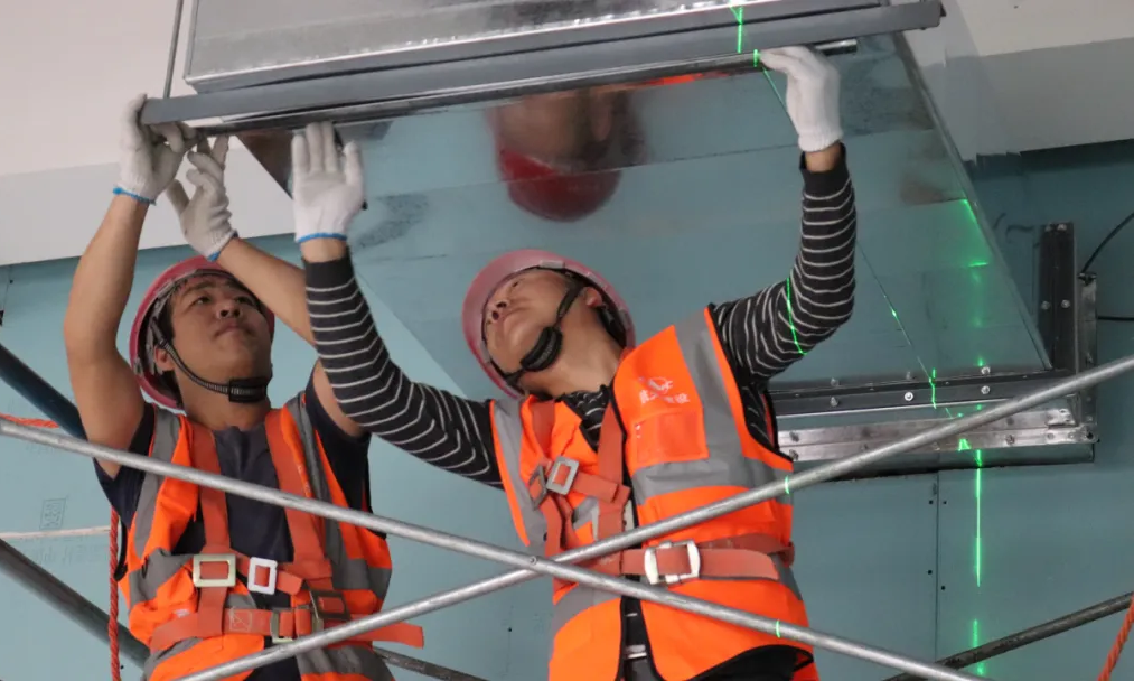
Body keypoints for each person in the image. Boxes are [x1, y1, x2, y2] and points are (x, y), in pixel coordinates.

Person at [294, 44, 854, 682]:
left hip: (736, 662)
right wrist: (323, 250)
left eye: (518, 284)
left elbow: (819, 300)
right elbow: (371, 395)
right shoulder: (511, 441)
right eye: (489, 321)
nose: (497, 304)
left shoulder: (710, 355)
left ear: (591, 296)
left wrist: (822, 150)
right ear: (507, 376)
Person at [62, 95, 423, 681]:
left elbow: (345, 341)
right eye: (201, 301)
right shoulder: (147, 448)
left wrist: (224, 244)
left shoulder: (319, 433)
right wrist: (132, 196)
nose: (229, 306)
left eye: (245, 300)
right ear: (162, 355)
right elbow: (86, 341)